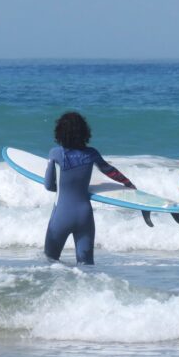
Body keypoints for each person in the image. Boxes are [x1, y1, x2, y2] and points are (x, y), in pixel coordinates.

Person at [43, 111, 135, 265]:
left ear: (60, 132)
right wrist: (128, 183)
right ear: (84, 131)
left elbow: (48, 185)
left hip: (61, 216)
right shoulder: (92, 153)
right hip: (84, 216)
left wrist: (61, 188)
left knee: (50, 261)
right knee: (86, 266)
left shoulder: (55, 153)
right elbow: (109, 170)